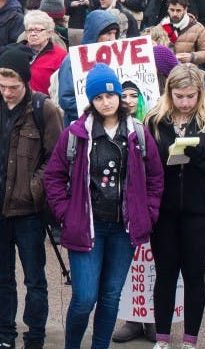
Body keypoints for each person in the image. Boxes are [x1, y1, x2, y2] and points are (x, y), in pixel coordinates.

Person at [44, 64, 164, 349]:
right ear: (92, 100)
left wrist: (147, 214)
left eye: (111, 95)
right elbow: (54, 177)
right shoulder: (75, 133)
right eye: (99, 97)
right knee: (85, 297)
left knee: (111, 295)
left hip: (124, 229)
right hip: (87, 227)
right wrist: (66, 214)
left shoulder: (137, 132)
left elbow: (155, 178)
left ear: (119, 96)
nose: (106, 102)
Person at [0, 48, 63, 349]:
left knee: (35, 279)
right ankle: (4, 334)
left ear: (25, 82)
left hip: (29, 212)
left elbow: (56, 160)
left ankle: (34, 337)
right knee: (2, 276)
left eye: (13, 87)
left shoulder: (44, 109)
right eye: (2, 85)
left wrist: (33, 190)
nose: (7, 93)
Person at [145, 64, 205, 349]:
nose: (185, 102)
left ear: (200, 93)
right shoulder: (154, 120)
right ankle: (161, 338)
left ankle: (190, 340)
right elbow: (146, 164)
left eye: (190, 96)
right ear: (169, 93)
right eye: (179, 96)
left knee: (194, 275)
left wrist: (200, 154)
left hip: (200, 210)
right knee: (165, 273)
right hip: (165, 210)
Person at [21, 10, 67, 96]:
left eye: (38, 30)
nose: (33, 34)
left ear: (49, 33)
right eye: (29, 30)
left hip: (46, 105)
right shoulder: (19, 52)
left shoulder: (61, 56)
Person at [159, 0, 205, 66]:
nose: (174, 14)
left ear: (185, 9)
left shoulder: (198, 28)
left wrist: (192, 57)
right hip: (165, 71)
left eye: (178, 10)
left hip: (187, 71)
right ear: (168, 10)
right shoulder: (161, 26)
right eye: (172, 10)